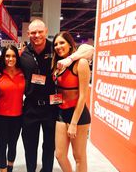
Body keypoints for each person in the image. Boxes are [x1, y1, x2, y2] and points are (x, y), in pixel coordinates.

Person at [20, 19, 94, 172]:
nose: (37, 35)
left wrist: (70, 58)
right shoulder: (23, 53)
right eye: (33, 32)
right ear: (28, 34)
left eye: (40, 31)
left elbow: (89, 49)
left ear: (46, 31)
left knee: (50, 146)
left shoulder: (55, 50)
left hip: (51, 107)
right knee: (30, 145)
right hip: (31, 107)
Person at [52, 31, 91, 172]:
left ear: (70, 44)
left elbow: (83, 96)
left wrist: (74, 123)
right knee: (60, 155)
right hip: (61, 112)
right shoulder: (57, 64)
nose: (58, 46)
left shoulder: (80, 63)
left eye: (62, 42)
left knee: (79, 157)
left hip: (78, 115)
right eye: (55, 44)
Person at [0, 45, 25, 172]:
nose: (10, 59)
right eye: (7, 56)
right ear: (3, 57)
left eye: (13, 56)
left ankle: (10, 168)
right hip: (0, 116)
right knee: (2, 145)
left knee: (12, 145)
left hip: (18, 116)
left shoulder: (23, 73)